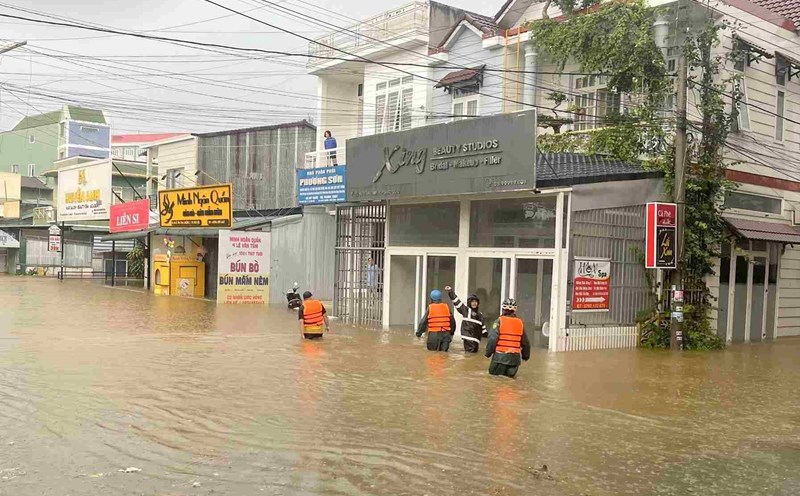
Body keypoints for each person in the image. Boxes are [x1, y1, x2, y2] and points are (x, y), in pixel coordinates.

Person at [485, 298, 531, 378]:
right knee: (509, 382)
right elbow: (525, 342)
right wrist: (525, 355)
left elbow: (492, 338)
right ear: (515, 311)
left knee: (494, 380)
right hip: (515, 360)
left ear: (503, 309)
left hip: (500, 358)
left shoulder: (499, 321)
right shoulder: (519, 323)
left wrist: (488, 353)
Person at [445, 285, 487, 353]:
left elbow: (483, 328)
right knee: (470, 355)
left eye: (475, 302)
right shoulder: (466, 310)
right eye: (472, 302)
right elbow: (457, 301)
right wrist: (450, 292)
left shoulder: (480, 315)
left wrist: (487, 335)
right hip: (468, 339)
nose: (474, 303)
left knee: (473, 356)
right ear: (469, 303)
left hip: (476, 340)